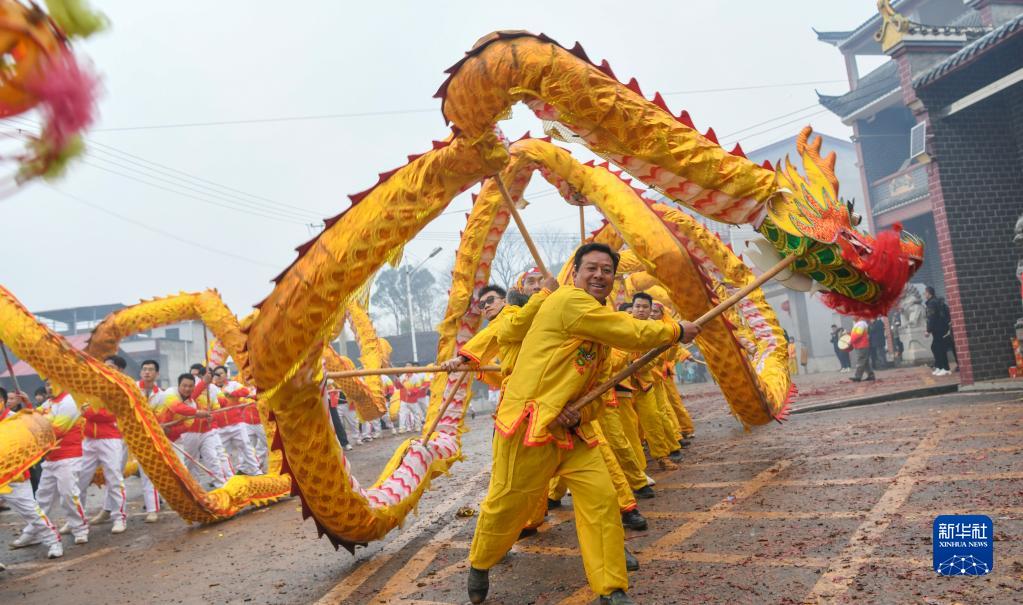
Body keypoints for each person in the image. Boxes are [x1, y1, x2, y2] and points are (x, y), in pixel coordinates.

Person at [466, 243, 699, 605]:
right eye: (591, 268)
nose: (599, 276)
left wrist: (577, 411)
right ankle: (480, 562)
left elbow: (594, 386)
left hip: (573, 432)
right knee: (508, 504)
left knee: (602, 501)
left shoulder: (596, 325)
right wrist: (675, 330)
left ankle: (611, 588)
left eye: (607, 270)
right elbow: (631, 332)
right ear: (574, 273)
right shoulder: (567, 302)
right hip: (530, 426)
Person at [3, 388, 64, 559]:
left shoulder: (15, 420)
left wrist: (29, 405)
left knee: (32, 512)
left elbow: (39, 430)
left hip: (15, 477)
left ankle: (53, 541)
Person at [74, 355, 129, 534]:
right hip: (89, 440)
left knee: (113, 478)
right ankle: (77, 520)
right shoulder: (92, 387)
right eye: (104, 366)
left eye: (110, 367)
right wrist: (89, 412)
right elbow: (82, 406)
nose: (106, 369)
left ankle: (119, 518)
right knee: (79, 479)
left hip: (110, 439)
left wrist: (89, 413)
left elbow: (111, 414)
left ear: (119, 370)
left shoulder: (121, 388)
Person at [30, 382, 90, 545]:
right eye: (46, 384)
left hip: (68, 456)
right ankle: (34, 532)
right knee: (42, 497)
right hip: (50, 458)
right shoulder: (48, 403)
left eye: (52, 384)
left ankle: (80, 529)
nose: (49, 387)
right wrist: (28, 405)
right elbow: (33, 419)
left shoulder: (69, 401)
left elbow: (57, 430)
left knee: (68, 495)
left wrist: (36, 430)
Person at [162, 373, 233, 487]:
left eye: (190, 386)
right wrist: (197, 412)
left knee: (212, 458)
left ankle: (221, 486)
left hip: (196, 434)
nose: (187, 389)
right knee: (182, 466)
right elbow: (177, 407)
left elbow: (186, 425)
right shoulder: (170, 393)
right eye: (184, 386)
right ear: (178, 385)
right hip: (165, 436)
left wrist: (211, 417)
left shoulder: (195, 402)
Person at [209, 366, 262, 475]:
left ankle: (256, 471)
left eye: (221, 374)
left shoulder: (233, 385)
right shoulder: (211, 389)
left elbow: (245, 391)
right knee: (222, 453)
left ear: (226, 374)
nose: (219, 377)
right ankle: (224, 476)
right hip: (220, 427)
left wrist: (232, 394)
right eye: (216, 375)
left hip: (237, 424)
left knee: (246, 447)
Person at [137, 359, 167, 522]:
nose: (147, 372)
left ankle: (152, 509)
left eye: (150, 369)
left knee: (148, 473)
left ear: (157, 374)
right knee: (114, 473)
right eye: (144, 369)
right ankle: (110, 511)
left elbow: (160, 419)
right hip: (125, 435)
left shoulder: (161, 395)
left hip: (148, 439)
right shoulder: (132, 388)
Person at [924, 286, 953, 376]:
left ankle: (945, 368)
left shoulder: (932, 303)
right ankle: (940, 367)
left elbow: (931, 317)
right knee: (936, 347)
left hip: (938, 329)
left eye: (925, 293)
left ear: (929, 293)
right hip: (941, 328)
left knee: (939, 348)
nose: (924, 295)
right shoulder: (935, 301)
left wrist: (928, 330)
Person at [849, 317, 875, 382]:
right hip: (861, 345)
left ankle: (857, 376)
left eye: (853, 315)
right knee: (865, 362)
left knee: (861, 361)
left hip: (861, 345)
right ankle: (871, 375)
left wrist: (851, 341)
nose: (852, 317)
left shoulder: (860, 324)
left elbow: (858, 334)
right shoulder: (860, 323)